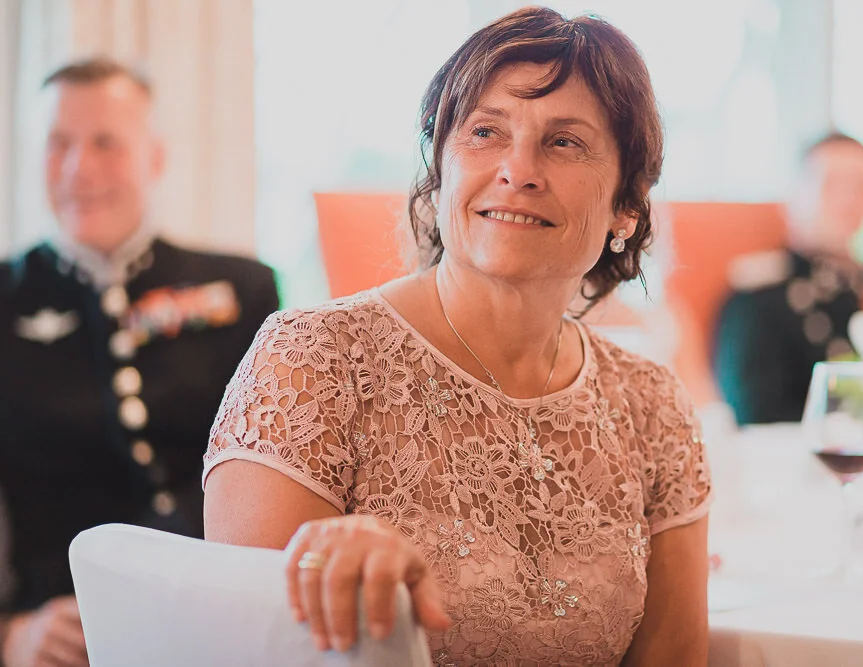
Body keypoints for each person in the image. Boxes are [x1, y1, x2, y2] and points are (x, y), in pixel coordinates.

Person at [204, 8, 712, 665]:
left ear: (627, 208)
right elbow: (245, 649)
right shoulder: (312, 361)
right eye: (485, 132)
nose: (518, 170)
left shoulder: (652, 405)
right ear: (440, 170)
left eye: (564, 142)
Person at [0, 58, 279, 666]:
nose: (79, 167)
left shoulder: (243, 290)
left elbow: (273, 471)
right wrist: (9, 634)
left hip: (217, 624)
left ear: (155, 157)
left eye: (106, 142)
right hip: (61, 638)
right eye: (58, 144)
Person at [713, 131, 863, 425]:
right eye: (831, 184)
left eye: (861, 186)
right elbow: (755, 414)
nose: (848, 200)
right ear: (793, 195)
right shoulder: (761, 296)